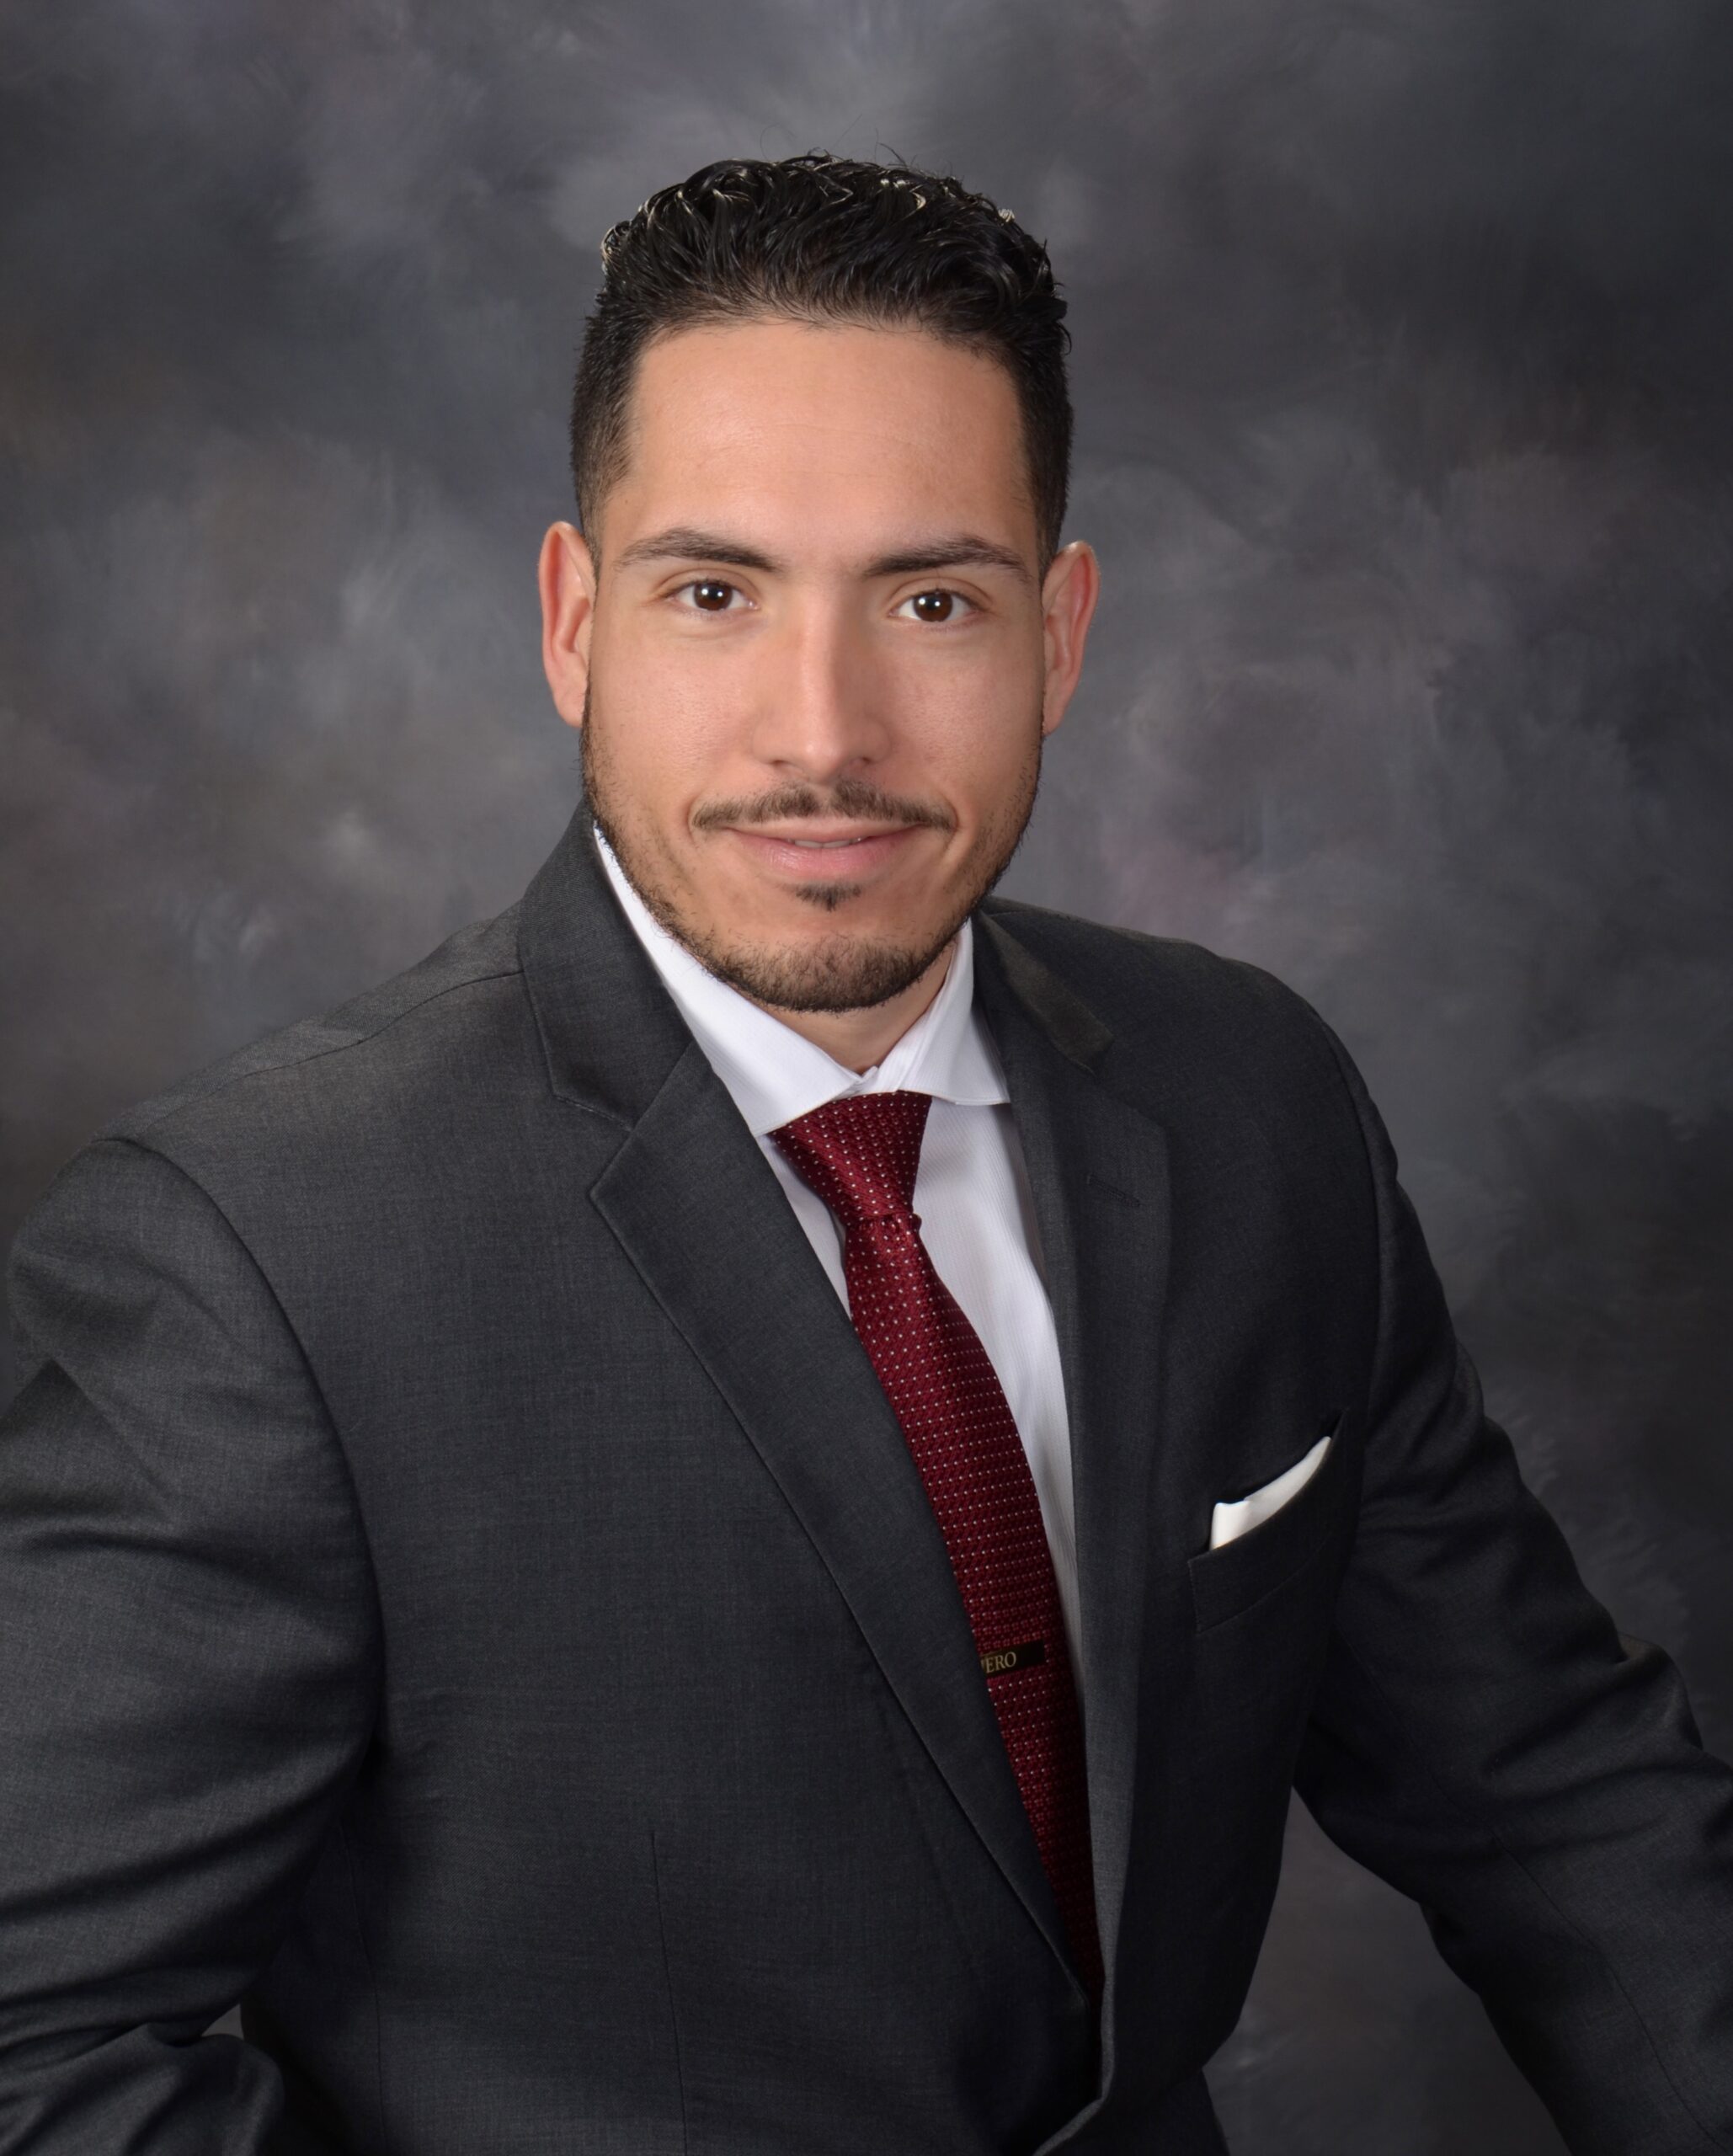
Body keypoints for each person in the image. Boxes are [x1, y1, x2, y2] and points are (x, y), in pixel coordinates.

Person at [1, 149, 1729, 2156]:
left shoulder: (1257, 1101)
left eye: (932, 597)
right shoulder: (259, 1252)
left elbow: (1548, 1786)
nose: (823, 730)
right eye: (715, 592)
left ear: (1062, 634)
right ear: (575, 624)